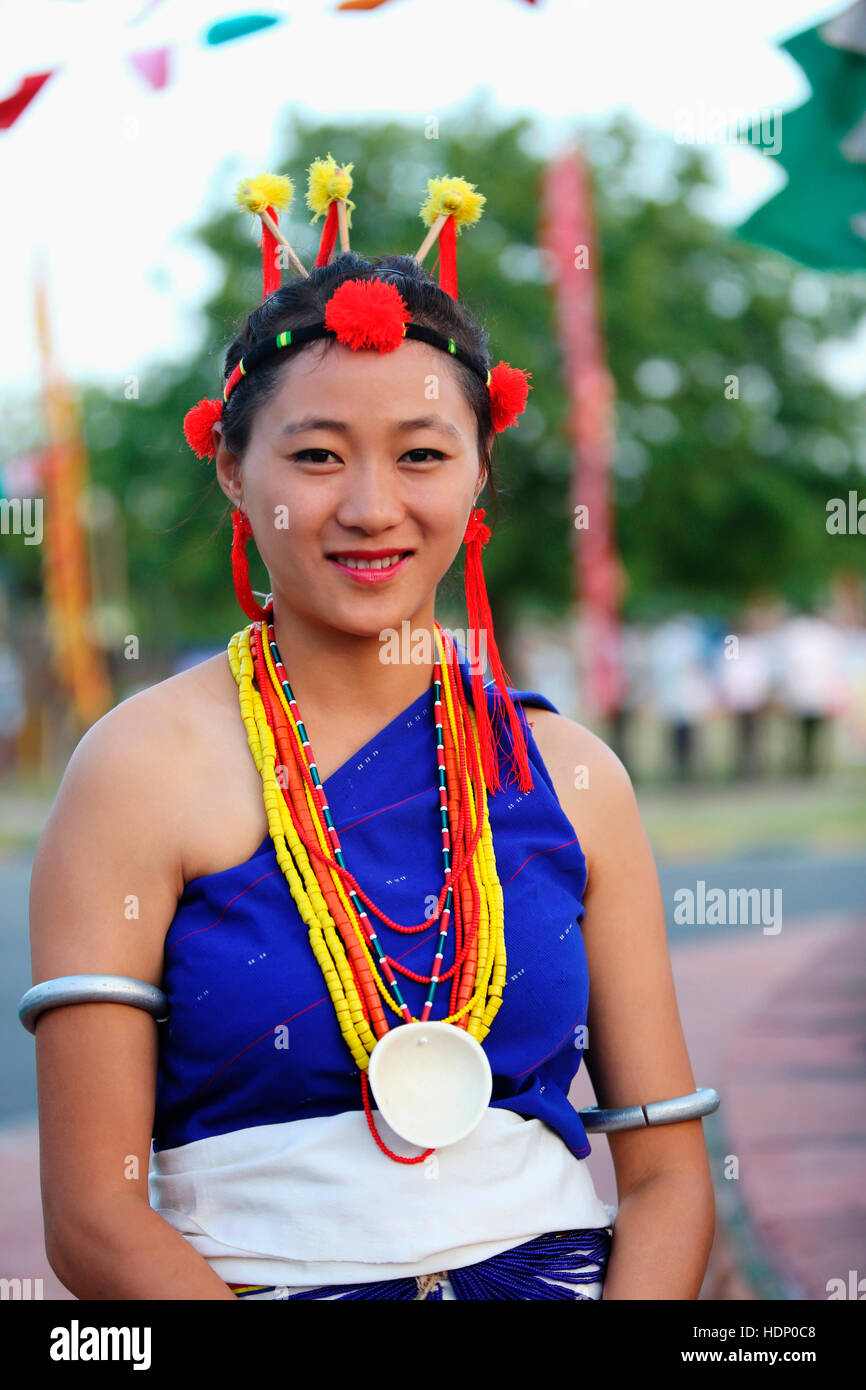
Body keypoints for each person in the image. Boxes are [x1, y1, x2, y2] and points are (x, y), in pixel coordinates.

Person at [26, 163, 714, 1300]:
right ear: (233, 469)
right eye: (314, 454)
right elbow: (95, 1216)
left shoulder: (575, 777)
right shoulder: (138, 773)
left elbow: (664, 1178)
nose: (369, 506)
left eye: (421, 453)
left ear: (480, 473)